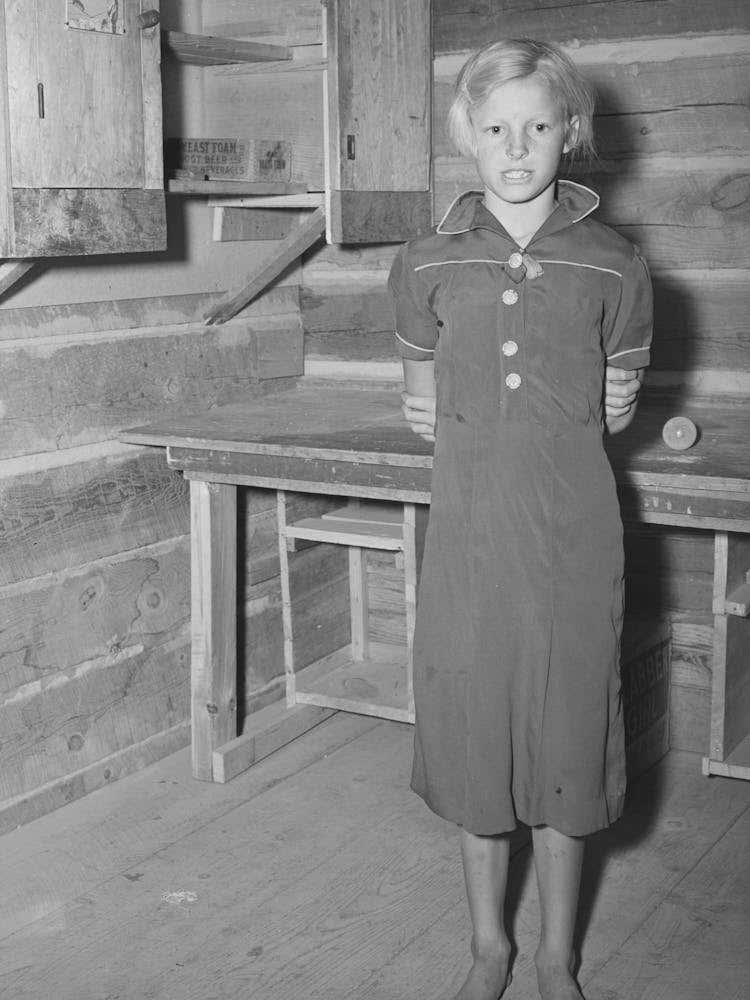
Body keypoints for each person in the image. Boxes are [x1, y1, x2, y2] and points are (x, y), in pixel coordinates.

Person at [387, 38, 652, 1000]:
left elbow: (620, 393)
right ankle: (488, 948)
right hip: (469, 541)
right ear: (466, 131)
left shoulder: (616, 265)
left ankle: (556, 958)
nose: (517, 146)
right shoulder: (426, 261)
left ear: (570, 134)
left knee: (570, 735)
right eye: (495, 126)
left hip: (576, 539)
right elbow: (420, 397)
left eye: (539, 125)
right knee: (475, 732)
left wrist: (608, 401)